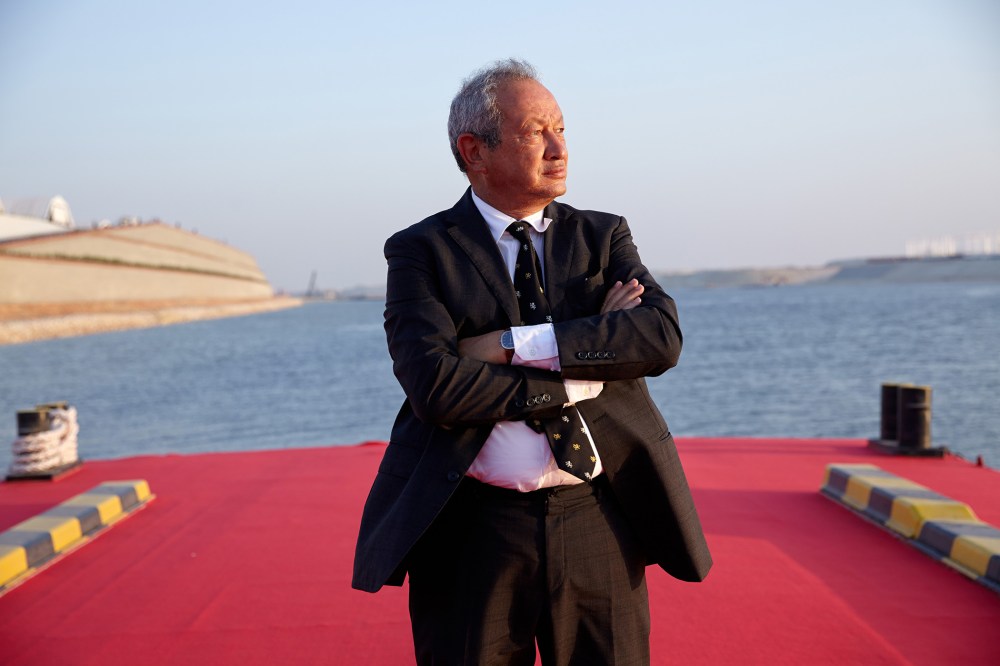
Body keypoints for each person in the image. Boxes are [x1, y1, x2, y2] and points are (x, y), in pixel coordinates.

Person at [353, 58, 711, 665]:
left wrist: (513, 345)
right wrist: (586, 369)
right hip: (472, 535)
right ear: (474, 150)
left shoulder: (603, 237)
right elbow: (436, 388)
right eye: (535, 131)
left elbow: (659, 338)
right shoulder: (420, 252)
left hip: (600, 519)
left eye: (563, 129)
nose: (558, 147)